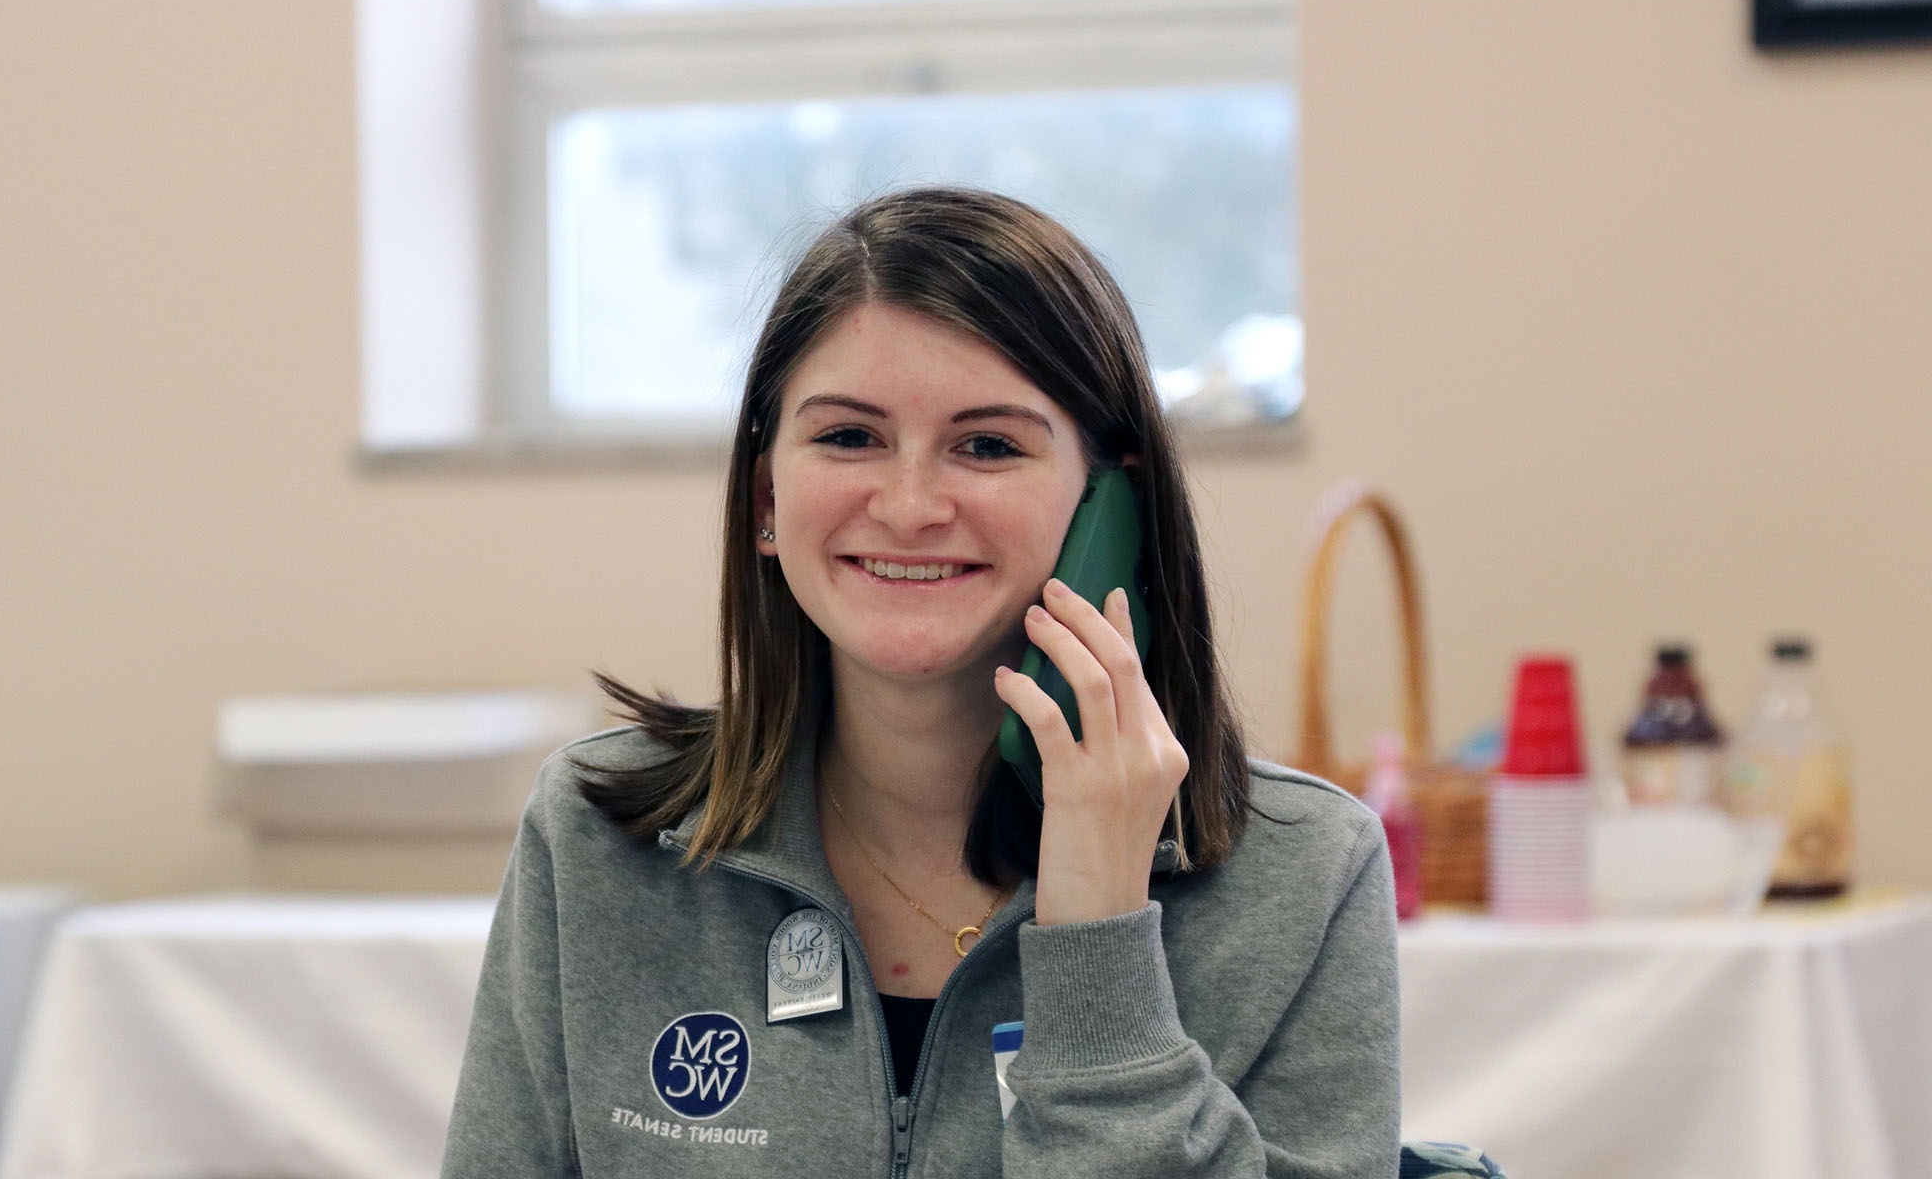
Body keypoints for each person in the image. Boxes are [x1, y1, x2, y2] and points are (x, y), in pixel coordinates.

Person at [440, 186, 1399, 1177]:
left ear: (1106, 501)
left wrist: (1101, 942)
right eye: (848, 437)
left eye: (986, 445)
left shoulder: (1303, 875)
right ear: (767, 496)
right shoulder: (598, 840)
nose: (907, 506)